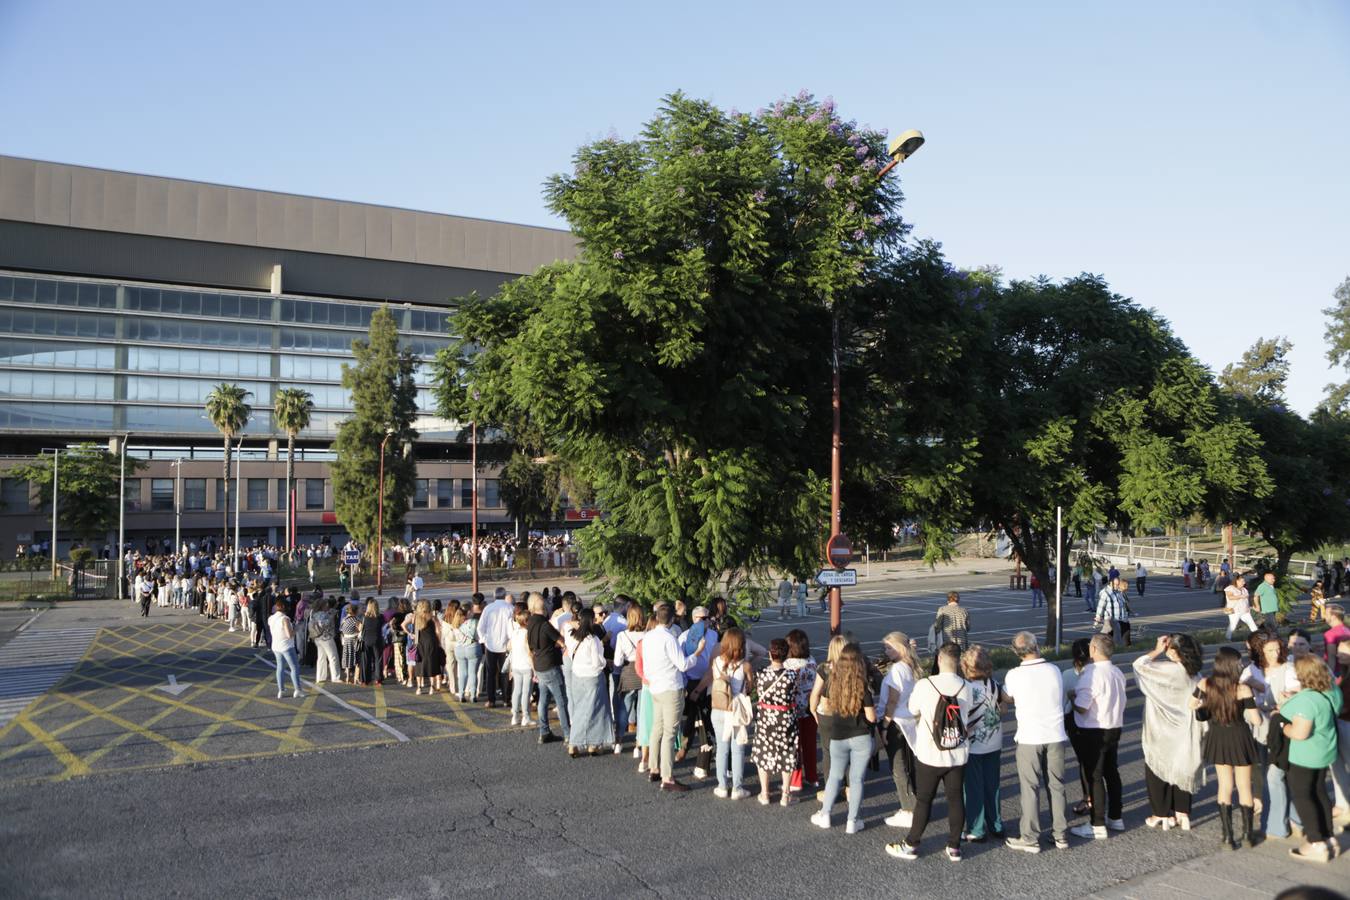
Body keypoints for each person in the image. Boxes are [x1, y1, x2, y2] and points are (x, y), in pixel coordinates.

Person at [884, 643, 973, 863]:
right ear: (958, 662)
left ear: (939, 659)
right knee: (955, 799)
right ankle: (954, 846)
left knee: (924, 800)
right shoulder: (967, 687)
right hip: (958, 752)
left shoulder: (925, 685)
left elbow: (913, 709)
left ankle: (912, 843)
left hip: (930, 753)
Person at [1002, 631, 1069, 853]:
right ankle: (1060, 834)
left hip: (1030, 736)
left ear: (1016, 652)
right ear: (1037, 646)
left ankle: (1030, 836)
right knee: (1056, 785)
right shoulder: (1054, 670)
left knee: (1030, 787)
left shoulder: (1014, 675)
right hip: (1056, 734)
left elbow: (1008, 697)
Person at [1191, 645, 1263, 849]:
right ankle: (1248, 835)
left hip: (1218, 737)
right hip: (1240, 736)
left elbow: (1191, 704)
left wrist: (1203, 703)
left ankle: (1227, 836)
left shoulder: (1206, 683)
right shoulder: (1241, 688)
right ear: (1232, 665)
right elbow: (1256, 720)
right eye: (1239, 662)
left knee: (1224, 786)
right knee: (1244, 786)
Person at [1133, 633, 1205, 830]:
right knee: (1182, 766)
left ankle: (1161, 813)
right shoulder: (1194, 672)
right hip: (1186, 727)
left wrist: (1156, 650)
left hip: (1161, 728)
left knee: (1158, 768)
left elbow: (1139, 666)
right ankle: (1182, 811)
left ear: (1174, 651)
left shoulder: (1168, 670)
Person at [1281, 655, 1343, 862]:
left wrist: (1284, 726)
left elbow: (1299, 733)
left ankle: (1316, 842)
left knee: (1303, 796)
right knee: (1320, 792)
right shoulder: (1331, 690)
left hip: (1305, 755)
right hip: (1325, 751)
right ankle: (1328, 837)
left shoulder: (1307, 700)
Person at [810, 642, 877, 834]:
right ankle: (852, 820)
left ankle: (825, 814)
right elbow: (871, 716)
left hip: (838, 735)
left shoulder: (833, 683)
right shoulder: (862, 686)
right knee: (856, 779)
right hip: (861, 737)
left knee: (834, 777)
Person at [1068, 633, 1127, 840]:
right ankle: (1115, 816)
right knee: (1112, 773)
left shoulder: (1091, 674)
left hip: (1094, 730)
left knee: (1095, 776)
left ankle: (1097, 823)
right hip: (1114, 726)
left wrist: (1072, 698)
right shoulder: (1117, 671)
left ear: (1093, 649)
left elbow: (1083, 707)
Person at [643, 603, 705, 792]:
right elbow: (683, 664)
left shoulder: (648, 637)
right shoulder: (669, 638)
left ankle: (654, 768)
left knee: (657, 729)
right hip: (671, 687)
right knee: (669, 733)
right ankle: (667, 777)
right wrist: (698, 652)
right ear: (671, 620)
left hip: (655, 687)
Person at [693, 626, 753, 800]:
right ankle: (737, 787)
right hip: (735, 711)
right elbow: (750, 688)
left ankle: (721, 786)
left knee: (722, 749)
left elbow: (712, 677)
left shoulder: (717, 662)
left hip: (718, 709)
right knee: (738, 749)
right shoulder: (745, 665)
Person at [961, 645, 1006, 843]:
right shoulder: (994, 684)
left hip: (973, 744)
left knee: (973, 787)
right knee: (992, 785)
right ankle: (996, 823)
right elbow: (1003, 706)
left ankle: (976, 828)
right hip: (994, 740)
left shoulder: (965, 688)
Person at [877, 631, 920, 829]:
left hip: (896, 721)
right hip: (910, 720)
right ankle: (914, 803)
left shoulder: (897, 670)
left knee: (898, 768)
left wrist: (884, 725)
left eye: (889, 647)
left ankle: (908, 809)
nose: (887, 651)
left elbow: (892, 700)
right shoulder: (913, 667)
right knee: (909, 765)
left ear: (901, 648)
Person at [751, 638, 800, 806]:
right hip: (786, 717)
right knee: (787, 752)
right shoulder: (792, 675)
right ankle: (785, 795)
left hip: (766, 717)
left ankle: (764, 793)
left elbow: (756, 692)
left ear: (771, 654)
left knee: (764, 752)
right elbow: (794, 694)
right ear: (786, 655)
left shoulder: (761, 673)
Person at [564, 608, 613, 757]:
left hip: (577, 676)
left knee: (580, 709)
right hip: (593, 677)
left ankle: (575, 743)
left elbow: (566, 625)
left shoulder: (572, 636)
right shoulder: (593, 639)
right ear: (591, 621)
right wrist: (606, 662)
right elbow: (597, 661)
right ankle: (593, 743)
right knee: (596, 710)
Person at [526, 591, 570, 746]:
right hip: (550, 664)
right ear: (542, 605)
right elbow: (561, 641)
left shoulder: (530, 622)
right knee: (561, 700)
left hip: (539, 664)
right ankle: (568, 735)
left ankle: (544, 731)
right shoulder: (545, 625)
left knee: (543, 699)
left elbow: (529, 645)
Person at [785, 629, 819, 794]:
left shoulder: (789, 665)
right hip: (810, 709)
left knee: (794, 746)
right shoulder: (812, 661)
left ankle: (795, 780)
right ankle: (812, 777)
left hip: (793, 711)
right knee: (810, 745)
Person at [1063, 638, 1094, 817]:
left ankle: (1088, 797)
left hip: (1075, 721)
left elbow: (1062, 702)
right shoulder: (1100, 672)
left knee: (1084, 761)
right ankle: (1104, 799)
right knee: (1103, 763)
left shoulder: (1067, 675)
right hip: (1101, 721)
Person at [612, 605, 647, 751]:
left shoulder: (622, 635)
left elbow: (618, 661)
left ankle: (619, 741)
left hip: (628, 673)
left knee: (624, 709)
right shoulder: (647, 634)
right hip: (644, 673)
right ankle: (639, 744)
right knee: (642, 710)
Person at [478, 589, 515, 708]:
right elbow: (513, 628)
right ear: (504, 596)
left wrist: (484, 640)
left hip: (490, 645)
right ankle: (506, 699)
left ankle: (491, 700)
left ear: (494, 596)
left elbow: (480, 627)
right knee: (505, 673)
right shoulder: (510, 608)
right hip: (506, 646)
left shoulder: (488, 608)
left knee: (491, 674)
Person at [267, 600, 303, 700]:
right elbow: (289, 635)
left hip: (276, 646)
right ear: (283, 607)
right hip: (286, 646)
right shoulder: (285, 619)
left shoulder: (271, 618)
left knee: (280, 667)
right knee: (294, 667)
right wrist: (296, 628)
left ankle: (281, 690)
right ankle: (298, 689)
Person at [507, 604, 533, 727]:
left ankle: (515, 716)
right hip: (526, 666)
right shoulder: (528, 634)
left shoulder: (515, 633)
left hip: (516, 665)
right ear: (527, 621)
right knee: (526, 692)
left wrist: (511, 668)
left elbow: (510, 649)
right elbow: (529, 652)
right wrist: (535, 668)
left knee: (516, 691)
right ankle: (526, 717)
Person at [411, 599, 442, 696]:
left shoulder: (416, 617)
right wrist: (439, 642)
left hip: (420, 643)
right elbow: (438, 631)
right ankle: (431, 688)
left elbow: (415, 632)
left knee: (419, 665)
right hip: (431, 642)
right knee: (431, 665)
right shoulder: (432, 618)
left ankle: (419, 688)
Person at [455, 602, 483, 701]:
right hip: (472, 647)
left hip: (459, 648)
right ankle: (473, 695)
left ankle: (461, 694)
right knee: (473, 673)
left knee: (462, 672)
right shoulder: (475, 622)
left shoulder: (457, 622)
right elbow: (479, 636)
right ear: (469, 612)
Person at [1093, 577, 1133, 647]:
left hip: (1121, 619)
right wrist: (1098, 617)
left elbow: (1122, 603)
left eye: (1118, 584)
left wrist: (1127, 612)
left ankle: (1122, 647)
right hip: (1111, 619)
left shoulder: (1117, 591)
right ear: (1111, 583)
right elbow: (1100, 606)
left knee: (1120, 634)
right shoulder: (1105, 593)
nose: (1118, 586)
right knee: (1107, 635)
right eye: (1116, 585)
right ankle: (1096, 645)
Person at [310, 598, 341, 684]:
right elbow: (323, 624)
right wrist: (331, 617)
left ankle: (320, 676)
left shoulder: (315, 614)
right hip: (326, 638)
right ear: (322, 606)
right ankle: (335, 676)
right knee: (333, 656)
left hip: (318, 638)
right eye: (326, 604)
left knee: (321, 657)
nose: (328, 605)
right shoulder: (323, 615)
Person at [358, 598, 384, 686]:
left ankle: (365, 679)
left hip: (366, 640)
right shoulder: (380, 617)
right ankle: (378, 679)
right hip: (377, 640)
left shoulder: (364, 618)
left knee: (366, 660)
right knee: (378, 660)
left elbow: (360, 629)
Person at [1224, 575, 1258, 641]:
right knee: (1233, 625)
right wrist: (1241, 596)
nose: (1244, 582)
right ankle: (1227, 638)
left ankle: (1257, 637)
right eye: (1242, 581)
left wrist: (1252, 606)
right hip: (1234, 611)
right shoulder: (1230, 588)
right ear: (1236, 581)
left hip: (1245, 611)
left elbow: (1248, 599)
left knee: (1252, 624)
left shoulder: (1244, 589)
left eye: (1244, 581)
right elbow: (1230, 597)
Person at [340, 602, 361, 683]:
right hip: (354, 641)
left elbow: (341, 630)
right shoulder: (356, 620)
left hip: (346, 640)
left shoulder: (344, 620)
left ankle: (347, 677)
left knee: (347, 658)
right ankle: (356, 677)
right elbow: (360, 630)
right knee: (357, 659)